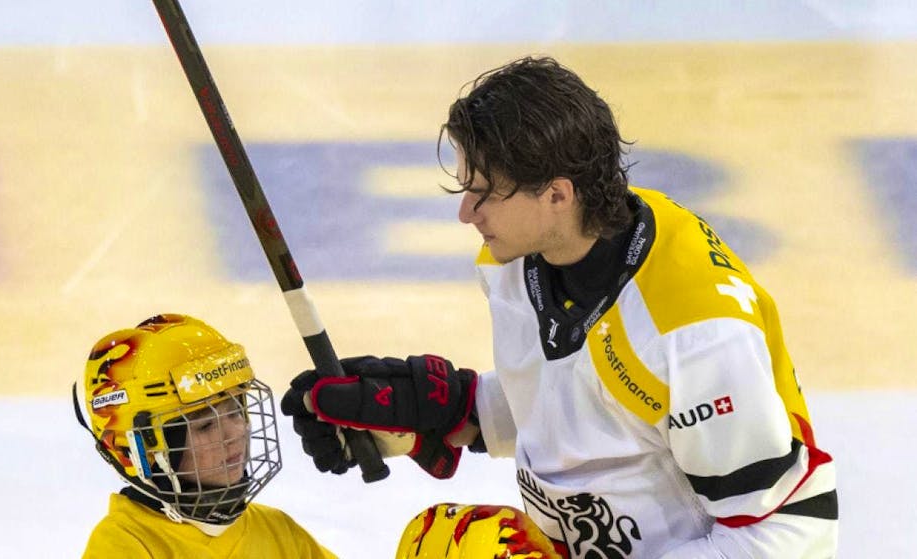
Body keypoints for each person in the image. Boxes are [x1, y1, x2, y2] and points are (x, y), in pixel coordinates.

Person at [282, 56, 838, 558]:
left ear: (557, 194)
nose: (466, 214)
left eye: (482, 193)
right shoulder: (520, 257)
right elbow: (595, 402)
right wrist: (450, 413)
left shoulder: (694, 333)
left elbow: (788, 534)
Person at [73, 313, 336, 559]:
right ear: (139, 447)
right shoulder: (124, 545)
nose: (235, 432)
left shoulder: (280, 533)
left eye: (236, 411)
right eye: (205, 425)